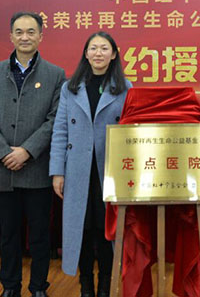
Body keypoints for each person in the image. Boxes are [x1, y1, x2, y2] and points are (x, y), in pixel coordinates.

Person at [0, 11, 65, 297]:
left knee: (39, 235)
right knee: (8, 234)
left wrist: (27, 151)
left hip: (36, 168)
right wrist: (4, 152)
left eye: (30, 32)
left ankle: (38, 287)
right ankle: (10, 286)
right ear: (11, 36)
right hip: (0, 169)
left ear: (41, 36)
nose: (24, 37)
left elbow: (55, 119)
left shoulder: (55, 74)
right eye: (19, 31)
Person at [49, 32, 131, 297]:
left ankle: (106, 285)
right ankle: (86, 285)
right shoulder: (71, 87)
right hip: (77, 169)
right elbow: (60, 130)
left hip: (110, 170)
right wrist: (57, 171)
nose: (98, 53)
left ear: (114, 54)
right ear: (85, 54)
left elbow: (131, 130)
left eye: (104, 48)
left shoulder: (125, 87)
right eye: (93, 48)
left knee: (106, 230)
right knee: (81, 230)